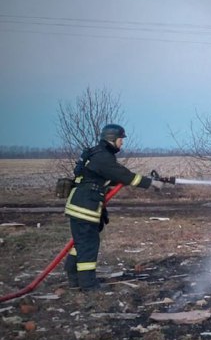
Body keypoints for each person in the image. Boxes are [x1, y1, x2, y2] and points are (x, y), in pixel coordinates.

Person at [63, 124, 164, 291]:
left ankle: (74, 278)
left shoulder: (96, 153)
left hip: (79, 204)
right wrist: (151, 183)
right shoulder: (103, 157)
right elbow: (124, 175)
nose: (122, 143)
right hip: (85, 207)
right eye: (120, 140)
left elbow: (112, 177)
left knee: (80, 244)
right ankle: (88, 286)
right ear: (112, 139)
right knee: (88, 245)